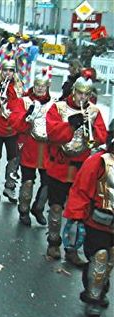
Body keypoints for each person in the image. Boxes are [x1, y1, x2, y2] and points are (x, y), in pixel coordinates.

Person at [45, 76, 107, 264]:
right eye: (80, 93)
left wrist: (91, 130)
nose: (82, 97)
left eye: (86, 94)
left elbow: (102, 136)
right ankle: (53, 242)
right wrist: (71, 125)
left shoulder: (94, 111)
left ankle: (72, 248)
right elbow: (53, 133)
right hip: (60, 164)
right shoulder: (59, 108)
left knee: (78, 211)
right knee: (56, 207)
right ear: (74, 91)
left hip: (81, 168)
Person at [63, 119, 114, 317]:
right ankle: (92, 297)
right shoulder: (98, 161)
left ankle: (101, 290)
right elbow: (80, 190)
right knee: (99, 258)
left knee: (110, 260)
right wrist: (75, 218)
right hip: (98, 221)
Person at [9, 68, 53, 226]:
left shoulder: (54, 104)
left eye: (43, 86)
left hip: (47, 149)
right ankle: (24, 210)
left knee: (48, 183)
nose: (40, 88)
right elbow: (15, 123)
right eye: (37, 85)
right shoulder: (24, 101)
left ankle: (38, 208)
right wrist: (26, 116)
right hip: (29, 146)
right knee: (28, 181)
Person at [0, 59, 24, 202]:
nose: (8, 73)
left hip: (12, 129)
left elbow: (21, 107)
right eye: (5, 70)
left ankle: (10, 186)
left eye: (11, 71)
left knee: (14, 159)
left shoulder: (18, 87)